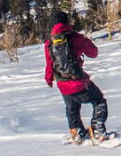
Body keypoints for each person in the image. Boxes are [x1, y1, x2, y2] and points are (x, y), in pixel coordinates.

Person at [44, 11, 110, 144]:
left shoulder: (49, 43)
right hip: (79, 81)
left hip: (62, 84)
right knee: (99, 101)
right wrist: (85, 40)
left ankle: (77, 133)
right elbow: (93, 53)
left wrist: (49, 79)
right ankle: (97, 130)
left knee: (71, 108)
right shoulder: (75, 37)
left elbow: (49, 64)